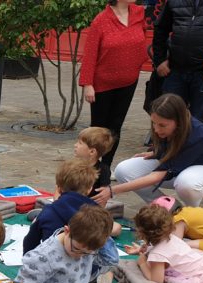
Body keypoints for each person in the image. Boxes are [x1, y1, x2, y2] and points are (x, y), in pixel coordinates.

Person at [93, 93, 203, 208]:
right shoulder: (169, 126)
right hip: (178, 168)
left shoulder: (197, 134)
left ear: (178, 121)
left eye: (162, 125)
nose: (156, 129)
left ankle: (191, 214)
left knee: (186, 183)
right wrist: (157, 152)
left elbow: (157, 175)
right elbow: (173, 150)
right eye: (154, 123)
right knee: (123, 170)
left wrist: (112, 190)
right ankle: (169, 209)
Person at [80, 0, 149, 170]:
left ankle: (105, 168)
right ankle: (91, 167)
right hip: (102, 84)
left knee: (115, 128)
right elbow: (89, 54)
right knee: (98, 130)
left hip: (128, 82)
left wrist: (138, 62)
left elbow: (143, 40)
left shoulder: (139, 14)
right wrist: (88, 84)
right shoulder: (101, 20)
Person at [24, 159, 121, 254]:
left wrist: (29, 261)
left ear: (59, 188)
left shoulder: (48, 211)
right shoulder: (97, 213)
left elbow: (30, 242)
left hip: (52, 262)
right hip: (85, 263)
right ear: (89, 189)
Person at [74, 126, 116, 194]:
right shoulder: (73, 165)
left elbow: (104, 193)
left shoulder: (103, 170)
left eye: (80, 143)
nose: (75, 145)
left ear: (92, 152)